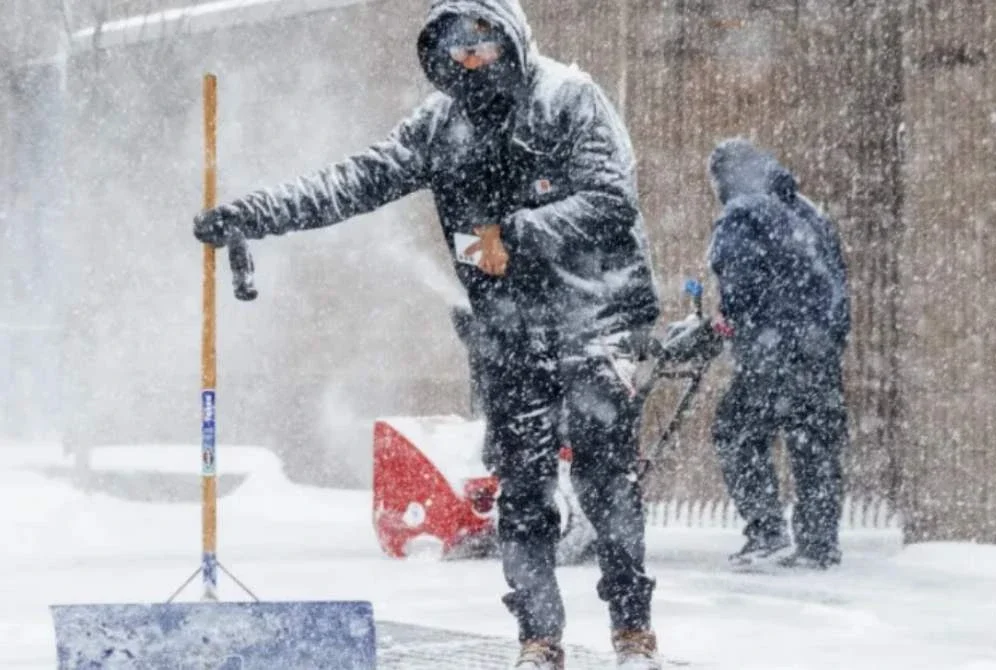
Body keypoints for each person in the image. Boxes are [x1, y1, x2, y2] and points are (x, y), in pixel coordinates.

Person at [193, 2, 663, 667]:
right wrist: (253, 214)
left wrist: (517, 232)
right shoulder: (439, 125)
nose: (471, 60)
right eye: (456, 49)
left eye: (483, 44)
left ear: (510, 40)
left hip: (596, 315)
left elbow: (612, 200)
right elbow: (355, 181)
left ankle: (632, 630)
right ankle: (539, 639)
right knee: (523, 490)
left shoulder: (568, 98)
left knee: (604, 477)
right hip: (508, 329)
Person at [705, 138, 851, 570]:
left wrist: (731, 318)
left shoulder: (743, 212)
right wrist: (827, 339)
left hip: (773, 348)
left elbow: (740, 279)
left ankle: (767, 531)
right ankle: (819, 543)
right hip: (820, 349)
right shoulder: (810, 213)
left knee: (735, 430)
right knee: (815, 442)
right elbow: (837, 282)